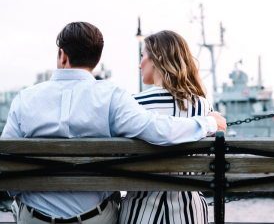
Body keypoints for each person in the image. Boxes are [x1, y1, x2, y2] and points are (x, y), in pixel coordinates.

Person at [2, 22, 226, 224]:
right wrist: (207, 124)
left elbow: (6, 163)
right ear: (97, 59)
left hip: (35, 217)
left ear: (62, 55)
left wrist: (20, 194)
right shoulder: (111, 97)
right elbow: (159, 130)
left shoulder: (24, 99)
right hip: (96, 217)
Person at [119, 30, 218, 224]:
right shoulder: (203, 106)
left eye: (143, 57)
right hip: (191, 214)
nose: (139, 65)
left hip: (139, 213)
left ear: (157, 59)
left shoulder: (132, 105)